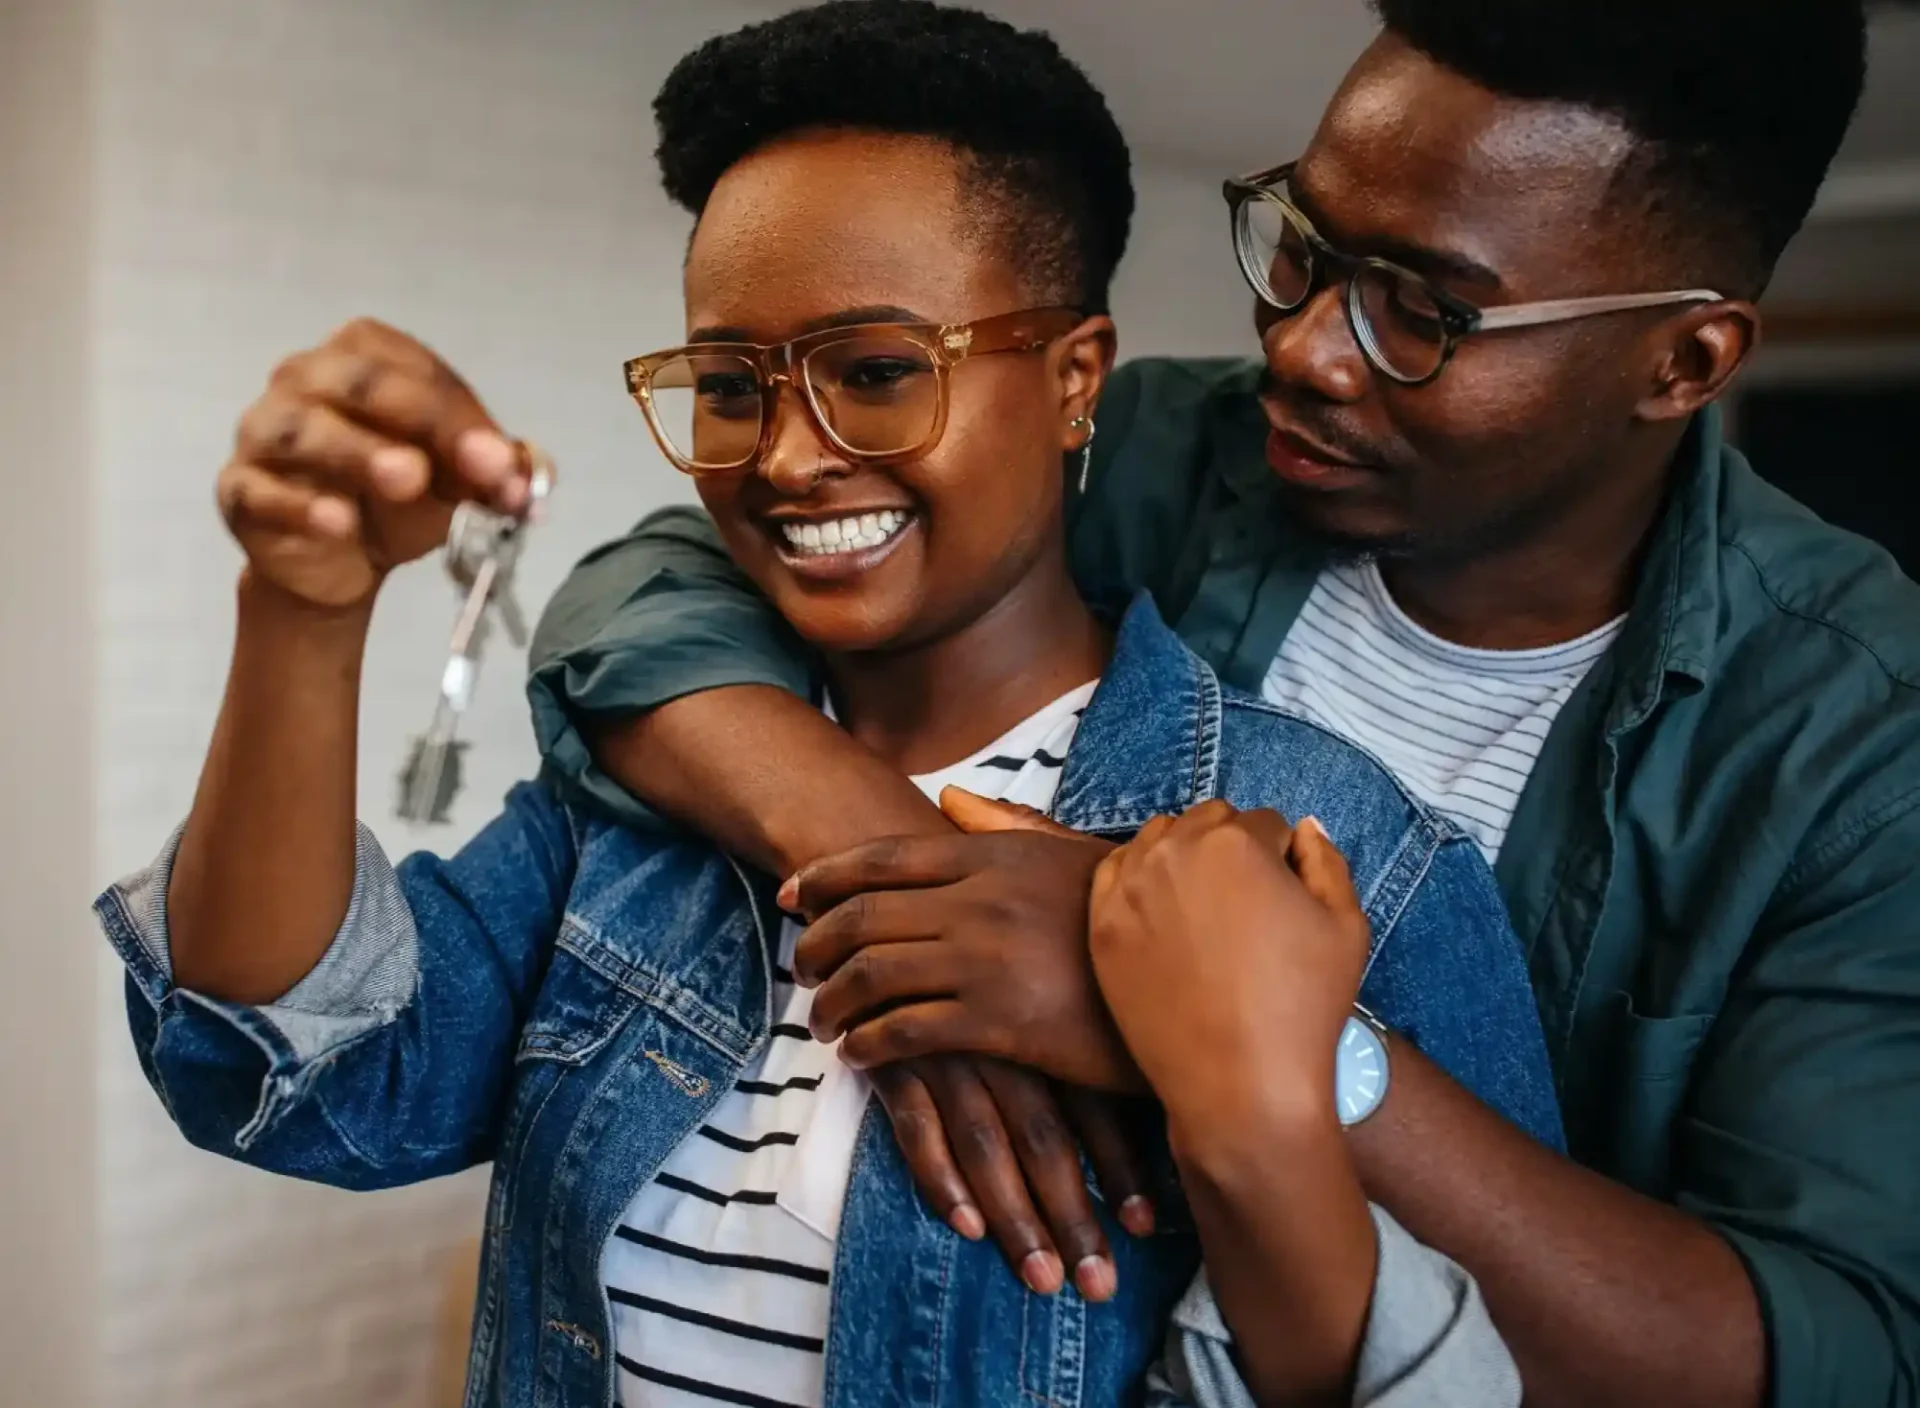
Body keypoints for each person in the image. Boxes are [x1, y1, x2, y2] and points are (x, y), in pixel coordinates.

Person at [95, 5, 1564, 1406]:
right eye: (729, 386)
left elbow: (1485, 1366)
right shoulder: (635, 820)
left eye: (874, 373)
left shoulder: (1343, 856)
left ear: (1073, 381)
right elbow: (306, 1058)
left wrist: (1244, 1086)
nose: (789, 458)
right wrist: (302, 612)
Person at [523, 1, 1920, 1405]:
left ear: (1684, 362)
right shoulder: (1151, 457)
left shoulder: (1859, 742)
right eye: (1303, 249)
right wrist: (887, 858)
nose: (1305, 350)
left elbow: (1828, 1358)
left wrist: (1247, 1035)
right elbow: (645, 592)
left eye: (1422, 312)